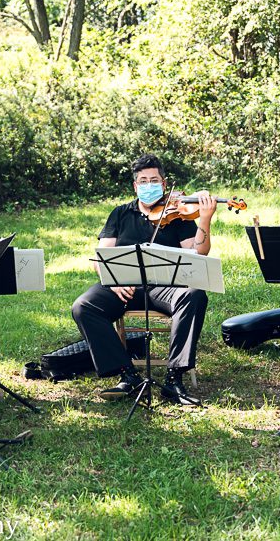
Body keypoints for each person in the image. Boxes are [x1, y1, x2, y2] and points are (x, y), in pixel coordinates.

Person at [71, 154, 218, 405]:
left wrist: (204, 218)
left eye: (154, 180)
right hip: (125, 287)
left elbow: (199, 252)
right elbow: (101, 256)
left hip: (166, 286)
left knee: (194, 295)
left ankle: (174, 379)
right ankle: (128, 375)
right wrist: (114, 281)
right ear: (135, 186)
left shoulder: (179, 215)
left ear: (163, 184)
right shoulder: (120, 214)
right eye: (143, 181)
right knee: (83, 307)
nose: (148, 185)